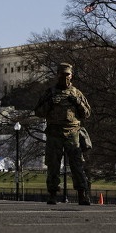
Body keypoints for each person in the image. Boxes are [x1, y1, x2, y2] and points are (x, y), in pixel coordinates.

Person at [34, 63, 92, 205]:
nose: (65, 77)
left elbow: (87, 113)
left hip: (72, 133)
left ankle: (82, 194)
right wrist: (50, 104)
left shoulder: (76, 93)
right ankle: (53, 193)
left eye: (67, 74)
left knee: (77, 165)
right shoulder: (50, 93)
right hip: (54, 132)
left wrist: (78, 102)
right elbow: (38, 112)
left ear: (71, 76)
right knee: (53, 165)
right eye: (62, 74)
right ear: (57, 75)